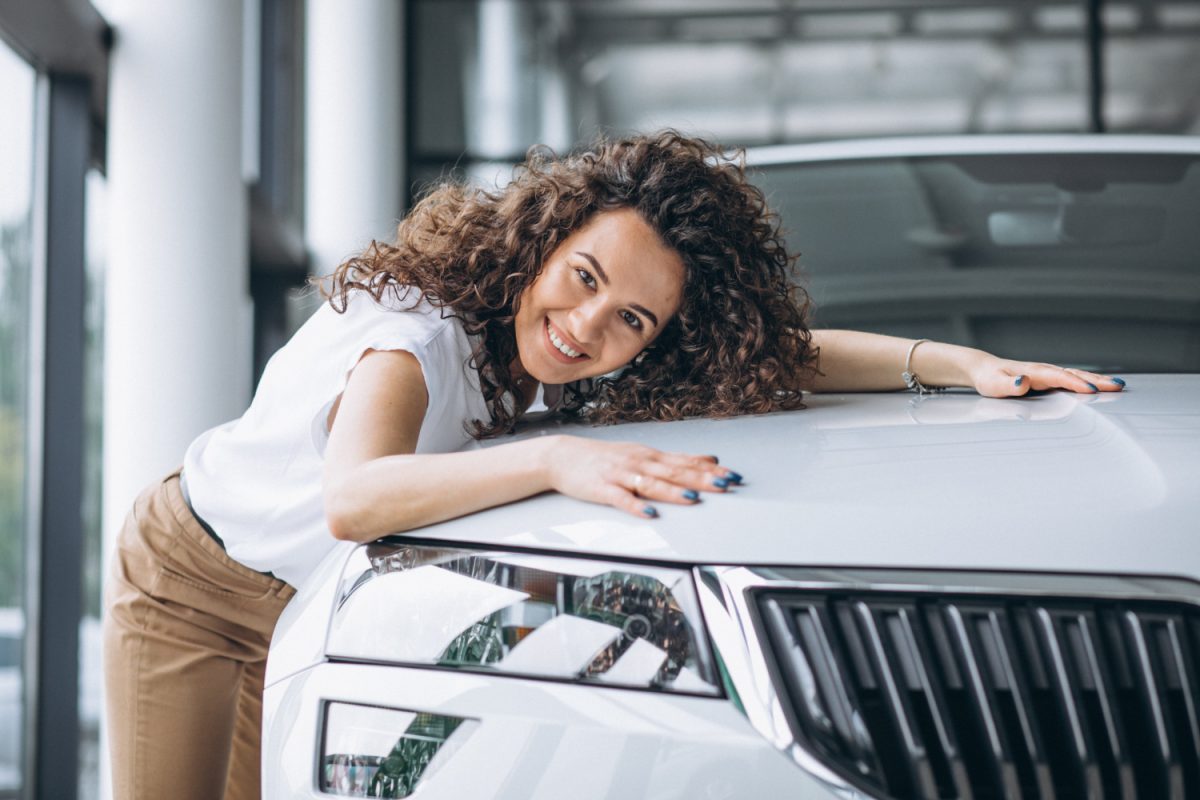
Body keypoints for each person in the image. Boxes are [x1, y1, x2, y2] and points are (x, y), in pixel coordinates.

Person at [102, 130, 1124, 800]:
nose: (587, 326)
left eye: (631, 317)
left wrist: (954, 364)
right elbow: (356, 497)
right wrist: (557, 460)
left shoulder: (564, 370)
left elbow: (786, 359)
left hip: (300, 609)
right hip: (192, 582)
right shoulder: (414, 331)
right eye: (582, 278)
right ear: (543, 242)